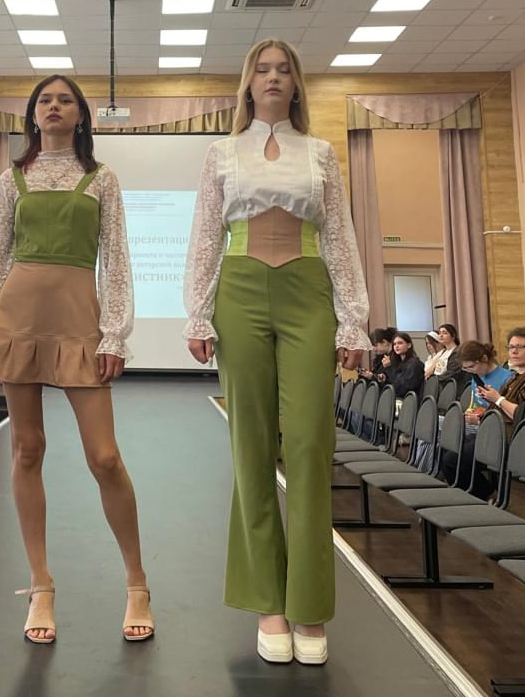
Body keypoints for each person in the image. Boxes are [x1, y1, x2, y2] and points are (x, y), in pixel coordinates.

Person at [183, 39, 370, 666]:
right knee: (251, 445)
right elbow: (206, 234)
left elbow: (338, 235)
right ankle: (267, 601)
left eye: (283, 69)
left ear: (296, 84)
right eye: (261, 69)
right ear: (247, 83)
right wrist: (197, 310)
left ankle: (309, 604)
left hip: (307, 289)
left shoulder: (320, 152)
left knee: (312, 443)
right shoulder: (221, 152)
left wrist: (353, 321)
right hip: (238, 290)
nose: (272, 77)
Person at [0, 74, 154, 644]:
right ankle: (41, 585)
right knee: (27, 449)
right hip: (18, 316)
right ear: (32, 115)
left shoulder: (103, 179)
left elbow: (116, 260)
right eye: (44, 100)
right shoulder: (11, 179)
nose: (53, 106)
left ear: (80, 116)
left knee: (105, 457)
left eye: (65, 100)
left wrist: (114, 335)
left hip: (78, 318)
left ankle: (137, 582)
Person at [440, 340, 514, 499]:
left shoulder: (507, 378)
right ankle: (461, 490)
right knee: (445, 440)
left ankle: (483, 494)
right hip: (479, 424)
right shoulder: (476, 376)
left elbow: (504, 413)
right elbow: (475, 405)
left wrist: (479, 418)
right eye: (465, 368)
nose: (469, 371)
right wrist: (469, 414)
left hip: (495, 430)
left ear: (484, 359)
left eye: (471, 367)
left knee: (452, 457)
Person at [378, 332, 424, 399]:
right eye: (394, 344)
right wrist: (384, 379)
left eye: (400, 343)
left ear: (409, 345)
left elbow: (402, 389)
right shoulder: (399, 362)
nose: (396, 346)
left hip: (410, 400)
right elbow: (394, 381)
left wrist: (389, 368)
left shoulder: (414, 364)